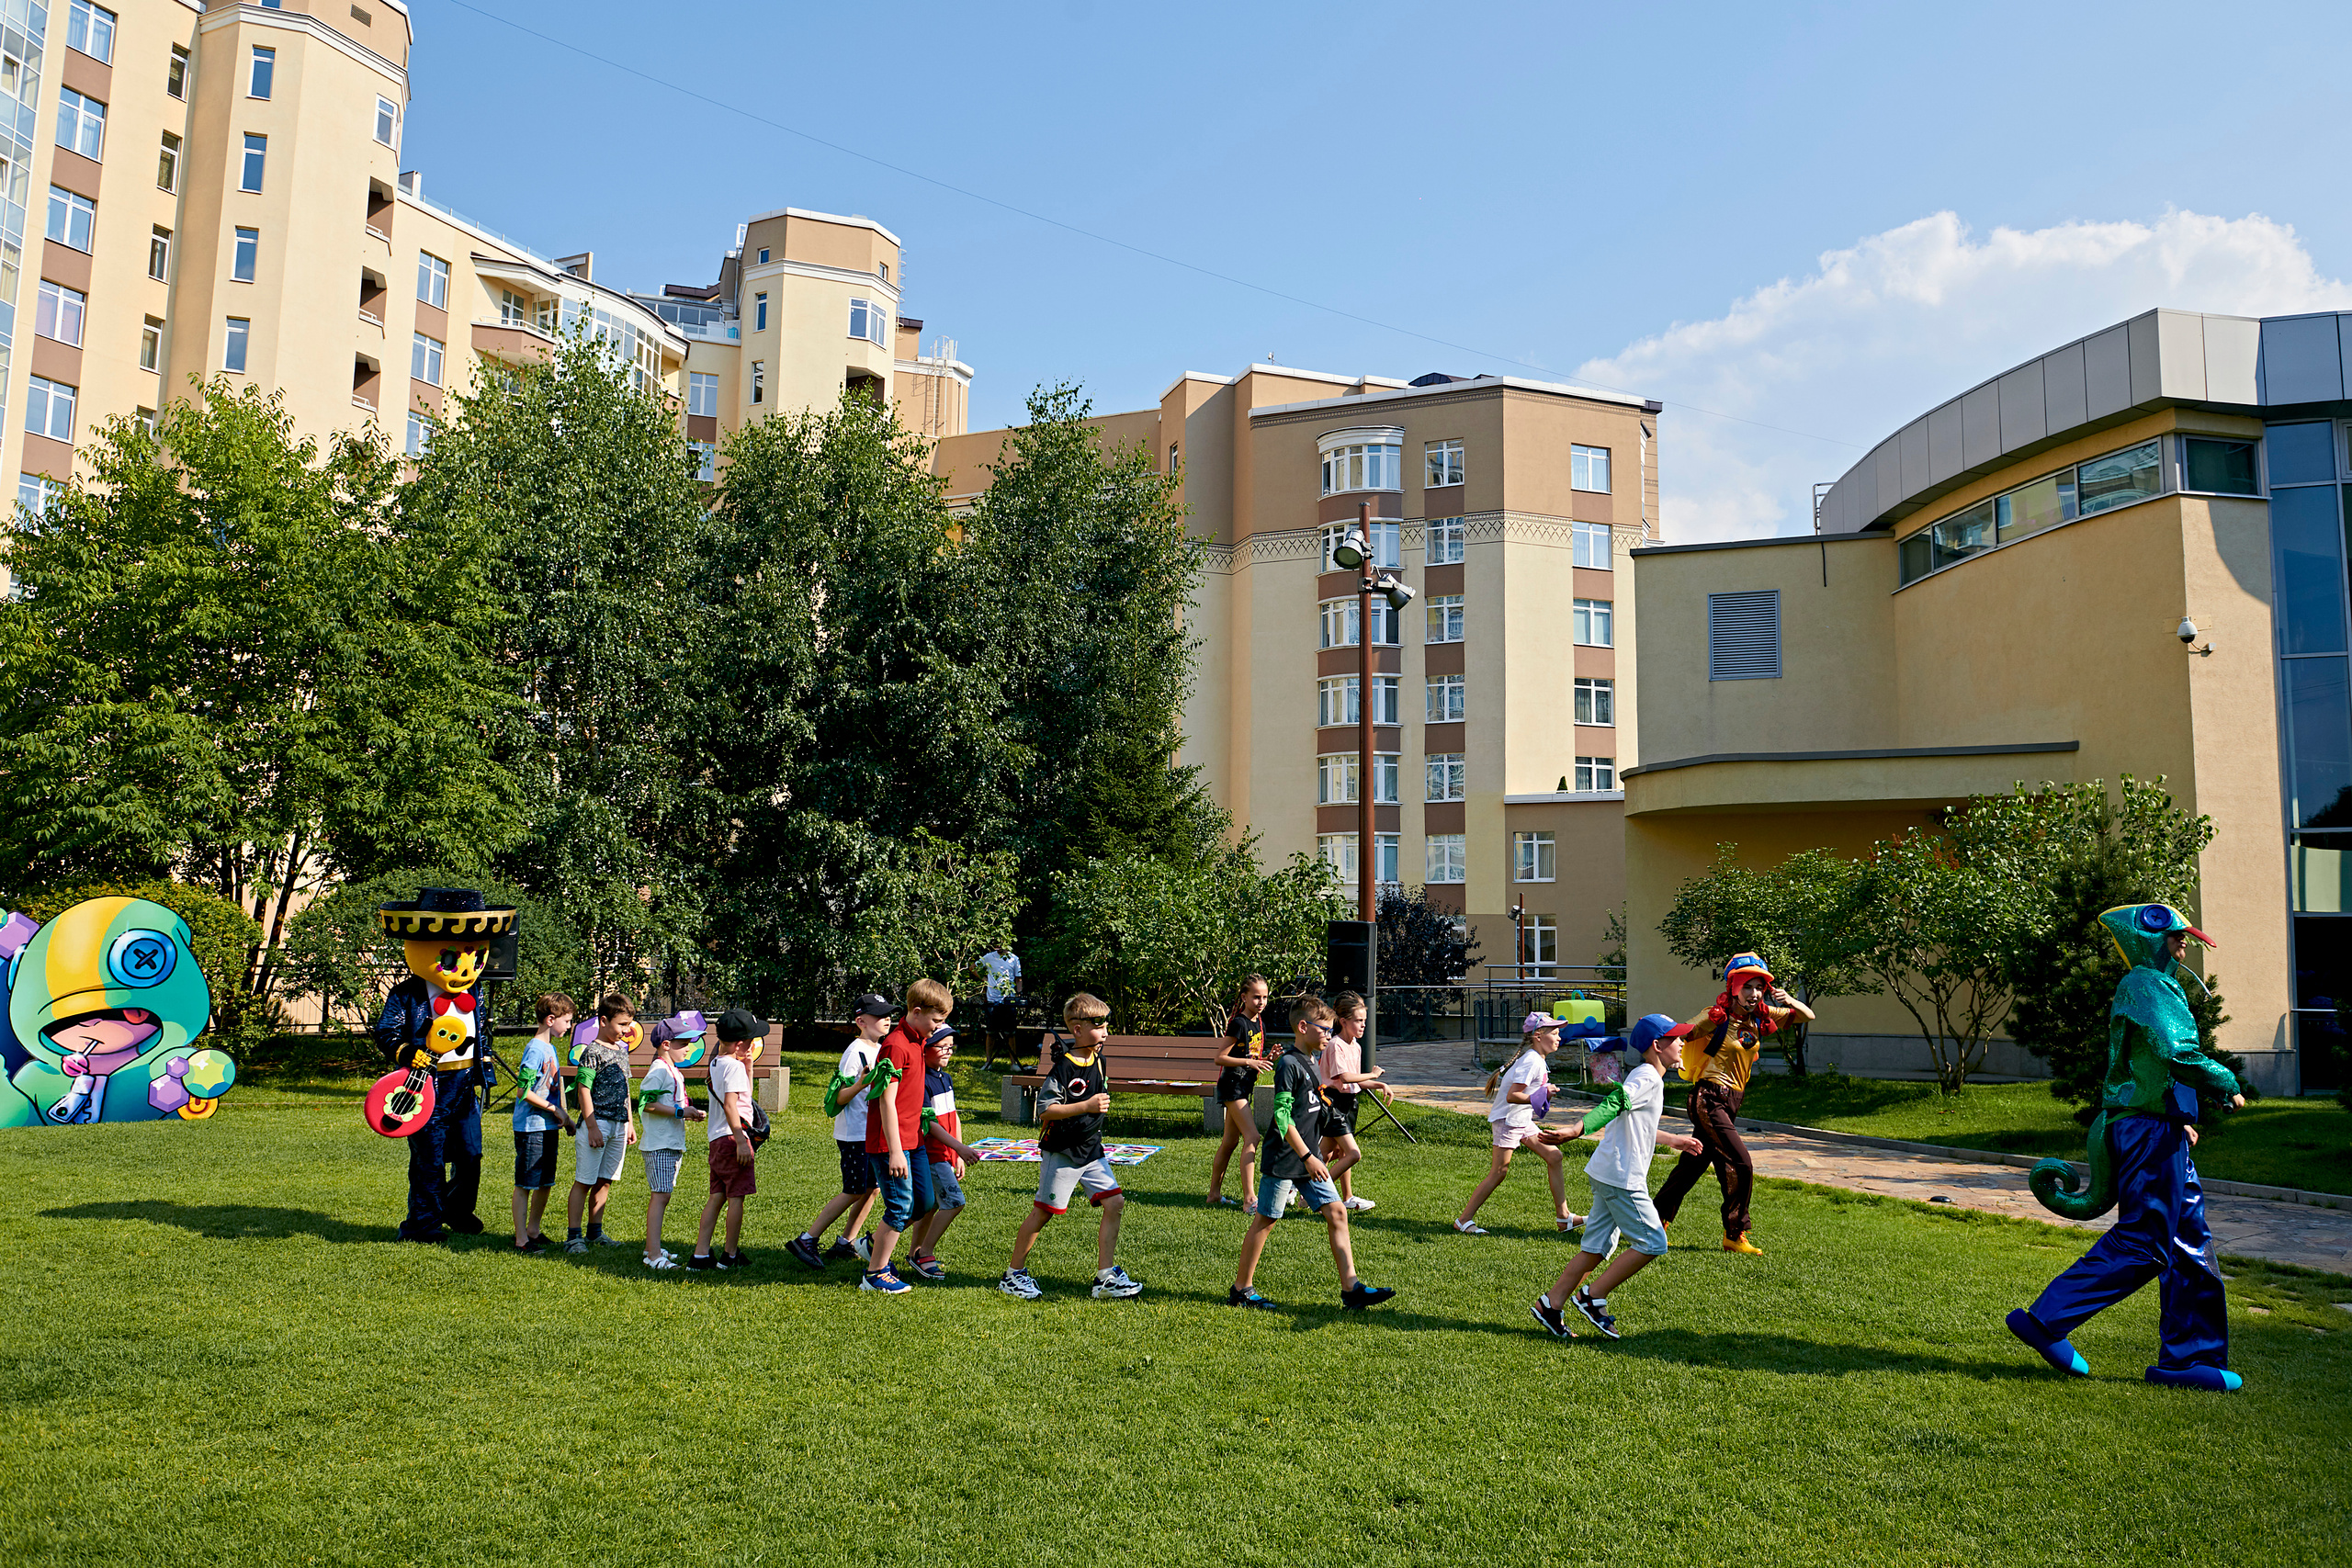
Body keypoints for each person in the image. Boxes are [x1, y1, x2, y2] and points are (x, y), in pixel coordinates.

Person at [2008, 904, 2247, 1392]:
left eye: (2186, 936)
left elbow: (2146, 1065)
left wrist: (2178, 1116)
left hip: (2160, 1128)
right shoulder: (2146, 984)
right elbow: (2172, 1050)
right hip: (2147, 1132)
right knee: (2145, 1242)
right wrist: (2224, 1081)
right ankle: (2047, 1319)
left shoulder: (2152, 985)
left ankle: (2189, 1359)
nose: (2185, 943)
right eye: (2176, 936)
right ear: (2148, 940)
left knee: (2189, 1245)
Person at [1531, 1013, 1708, 1340]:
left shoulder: (1647, 1077)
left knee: (1596, 1248)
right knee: (1653, 1242)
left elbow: (1637, 1121)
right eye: (1676, 1038)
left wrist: (1674, 1140)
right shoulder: (1647, 1078)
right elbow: (1614, 1103)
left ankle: (1550, 1305)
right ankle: (1592, 1297)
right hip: (1621, 1178)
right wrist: (1575, 1130)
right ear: (1658, 1045)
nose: (1682, 1043)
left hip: (1608, 1172)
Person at [1227, 996, 1396, 1313]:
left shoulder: (1311, 1062)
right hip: (1286, 1161)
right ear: (1303, 1027)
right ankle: (1241, 1289)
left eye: (1332, 1031)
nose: (1329, 1036)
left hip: (1309, 1160)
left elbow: (1317, 1106)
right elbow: (1281, 1117)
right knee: (1266, 1221)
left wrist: (1333, 1130)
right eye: (1325, 1030)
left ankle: (1352, 1289)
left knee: (1337, 1213)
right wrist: (1308, 1156)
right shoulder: (1289, 1064)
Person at [1653, 952, 1814, 1255]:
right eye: (1748, 986)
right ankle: (1734, 1233)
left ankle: (1653, 1222)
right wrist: (1659, 1060)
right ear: (1734, 987)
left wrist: (1789, 999)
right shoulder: (1716, 1017)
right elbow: (1680, 1033)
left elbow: (1808, 1016)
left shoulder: (1759, 1019)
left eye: (1760, 987)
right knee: (1741, 1163)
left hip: (1732, 1101)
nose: (1754, 994)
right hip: (1709, 1098)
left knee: (1692, 1164)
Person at [998, 993, 1143, 1302]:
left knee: (1115, 1203)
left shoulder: (1100, 1061)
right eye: (1098, 1025)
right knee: (1043, 1213)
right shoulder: (1062, 1068)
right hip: (1062, 1152)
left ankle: (1105, 1277)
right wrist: (1086, 1105)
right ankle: (1013, 1275)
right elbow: (1045, 1110)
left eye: (1106, 1025)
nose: (1105, 1032)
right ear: (1077, 1029)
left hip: (1091, 1151)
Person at [786, 993, 891, 1270]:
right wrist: (859, 1084)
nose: (887, 1019)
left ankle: (846, 1241)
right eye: (879, 1016)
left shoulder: (880, 1049)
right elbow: (838, 1098)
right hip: (854, 1134)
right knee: (853, 1190)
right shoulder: (853, 1052)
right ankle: (807, 1239)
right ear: (861, 1021)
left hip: (870, 1133)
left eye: (888, 1014)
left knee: (872, 1189)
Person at [1454, 1013, 1585, 1236]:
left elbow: (1529, 1097)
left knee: (1555, 1157)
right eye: (1554, 1033)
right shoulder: (1531, 1060)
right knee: (1499, 1172)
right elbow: (1513, 1096)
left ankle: (1564, 1218)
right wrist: (1543, 1092)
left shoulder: (1537, 1059)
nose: (1559, 1037)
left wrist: (1544, 1095)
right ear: (1537, 1036)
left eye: (1558, 1033)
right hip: (1508, 1121)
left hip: (1521, 1120)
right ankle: (1463, 1220)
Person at [863, 978, 953, 1294]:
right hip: (891, 1145)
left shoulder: (918, 1042)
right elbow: (886, 1100)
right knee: (900, 1206)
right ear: (916, 1011)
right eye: (936, 1021)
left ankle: (872, 1245)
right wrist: (896, 1152)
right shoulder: (896, 1044)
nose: (939, 1027)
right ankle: (875, 1274)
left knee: (924, 1203)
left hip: (913, 1142)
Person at [905, 1025, 989, 1280]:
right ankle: (924, 1253)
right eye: (942, 1046)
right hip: (931, 1154)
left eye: (951, 1046)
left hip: (946, 1154)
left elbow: (953, 1118)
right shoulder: (921, 1080)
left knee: (930, 1206)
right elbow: (929, 1124)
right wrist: (959, 1148)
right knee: (954, 1203)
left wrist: (958, 1151)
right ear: (925, 1049)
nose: (948, 1051)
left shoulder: (945, 1078)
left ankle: (913, 1252)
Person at [690, 1008, 764, 1270]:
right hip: (733, 1140)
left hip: (716, 1140)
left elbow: (743, 1094)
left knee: (717, 1196)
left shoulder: (718, 1063)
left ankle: (700, 1254)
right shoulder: (732, 1067)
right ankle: (730, 1255)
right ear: (742, 1043)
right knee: (736, 1199)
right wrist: (742, 1141)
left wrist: (748, 1065)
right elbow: (732, 1106)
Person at [564, 994, 639, 1253]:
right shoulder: (592, 1051)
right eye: (622, 1025)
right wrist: (592, 1126)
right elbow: (583, 1089)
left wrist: (629, 1122)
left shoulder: (621, 1050)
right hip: (597, 1125)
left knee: (605, 1180)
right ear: (604, 1020)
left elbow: (625, 1088)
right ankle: (573, 1237)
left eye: (629, 1025)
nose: (626, 1031)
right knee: (584, 1181)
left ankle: (595, 1232)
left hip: (618, 1125)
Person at [637, 1011, 708, 1270]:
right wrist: (680, 1112)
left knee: (663, 1195)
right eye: (684, 1044)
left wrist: (687, 1112)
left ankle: (651, 1247)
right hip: (659, 1144)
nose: (688, 1049)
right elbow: (646, 1104)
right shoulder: (659, 1071)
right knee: (660, 1196)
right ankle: (653, 1255)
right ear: (666, 1045)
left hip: (670, 1142)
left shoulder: (672, 1071)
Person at [510, 992, 578, 1253]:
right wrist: (554, 1110)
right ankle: (521, 1239)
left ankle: (533, 1230)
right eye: (567, 1021)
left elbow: (551, 1088)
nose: (569, 1026)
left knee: (545, 1182)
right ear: (551, 1019)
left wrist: (565, 1117)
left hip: (548, 1126)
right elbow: (523, 1091)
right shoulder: (535, 1049)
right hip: (531, 1128)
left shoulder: (549, 1048)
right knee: (526, 1182)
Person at [1205, 974, 1272, 1208]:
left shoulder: (1258, 1022)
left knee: (1230, 1142)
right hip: (1233, 1087)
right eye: (1256, 997)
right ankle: (1250, 1199)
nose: (1261, 1002)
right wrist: (1249, 1063)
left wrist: (1264, 1059)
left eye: (1264, 997)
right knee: (1252, 1137)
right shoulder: (1239, 1023)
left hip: (1243, 1086)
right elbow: (1220, 1058)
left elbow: (1248, 1056)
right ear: (1244, 997)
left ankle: (1214, 1194)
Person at [1318, 989, 1386, 1212]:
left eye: (1365, 1021)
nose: (1363, 1025)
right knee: (1352, 1154)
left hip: (1349, 1104)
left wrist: (1379, 1084)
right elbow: (1344, 1077)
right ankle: (1313, 1192)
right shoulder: (1335, 1045)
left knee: (1331, 1154)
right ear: (1344, 1021)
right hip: (1334, 1103)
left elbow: (1355, 1082)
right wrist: (1373, 1075)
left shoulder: (1355, 1046)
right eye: (1358, 1021)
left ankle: (1344, 1197)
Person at [973, 939, 1024, 1066]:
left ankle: (1014, 1064)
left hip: (1009, 1000)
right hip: (992, 999)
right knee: (990, 1033)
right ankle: (988, 1062)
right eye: (998, 944)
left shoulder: (1014, 959)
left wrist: (1019, 995)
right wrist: (985, 980)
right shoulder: (989, 957)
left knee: (1010, 1033)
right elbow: (973, 968)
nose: (1000, 947)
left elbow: (1018, 979)